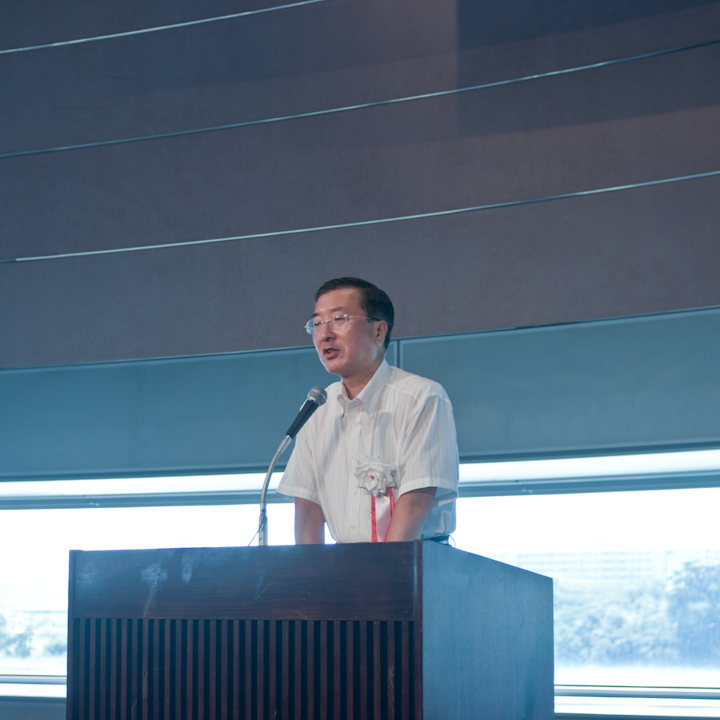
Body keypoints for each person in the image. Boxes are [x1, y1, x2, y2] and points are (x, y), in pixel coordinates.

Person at [276, 277, 459, 543]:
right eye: (316, 323)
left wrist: (385, 574)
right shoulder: (316, 409)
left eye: (339, 319)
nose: (324, 333)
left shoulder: (421, 397)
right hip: (346, 571)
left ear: (379, 331)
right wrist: (310, 579)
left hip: (413, 564)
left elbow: (417, 500)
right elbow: (308, 506)